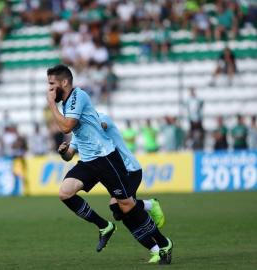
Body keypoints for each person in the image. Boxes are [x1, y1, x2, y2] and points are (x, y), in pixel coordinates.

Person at [46, 64, 173, 264]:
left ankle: (161, 244)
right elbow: (71, 153)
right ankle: (104, 226)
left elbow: (68, 126)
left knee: (125, 206)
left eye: (52, 84)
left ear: (64, 82)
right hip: (88, 162)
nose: (50, 90)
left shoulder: (79, 98)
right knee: (65, 192)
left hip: (107, 159)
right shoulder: (71, 113)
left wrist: (51, 105)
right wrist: (64, 152)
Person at [60, 112, 167, 263]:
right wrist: (64, 152)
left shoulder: (100, 119)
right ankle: (156, 249)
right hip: (111, 171)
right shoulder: (78, 131)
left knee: (120, 206)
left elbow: (102, 126)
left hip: (128, 169)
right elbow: (69, 154)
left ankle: (151, 208)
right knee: (118, 212)